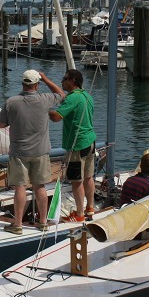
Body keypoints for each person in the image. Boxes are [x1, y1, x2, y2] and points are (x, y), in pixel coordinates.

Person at [0, 69, 63, 234]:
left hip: (19, 152)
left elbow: (0, 125)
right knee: (40, 186)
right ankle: (43, 222)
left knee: (20, 187)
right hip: (41, 151)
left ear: (22, 83)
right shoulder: (45, 99)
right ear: (36, 84)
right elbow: (61, 94)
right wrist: (46, 78)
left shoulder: (12, 102)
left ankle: (17, 224)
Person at [49, 69, 96, 221]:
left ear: (72, 81)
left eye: (64, 78)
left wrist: (44, 109)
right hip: (90, 142)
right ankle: (90, 208)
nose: (62, 81)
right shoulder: (86, 96)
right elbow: (62, 96)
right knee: (89, 177)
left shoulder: (72, 99)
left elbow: (56, 117)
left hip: (77, 145)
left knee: (76, 181)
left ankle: (80, 214)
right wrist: (44, 79)